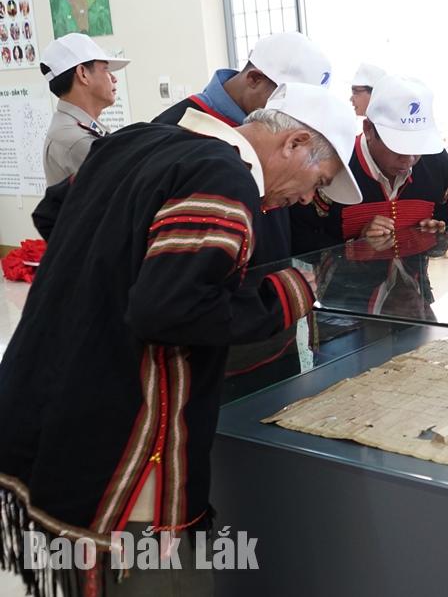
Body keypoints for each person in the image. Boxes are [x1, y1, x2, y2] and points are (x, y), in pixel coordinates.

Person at [2, 83, 361, 596]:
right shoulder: (222, 177)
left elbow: (53, 214)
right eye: (317, 180)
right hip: (121, 431)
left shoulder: (139, 140)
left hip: (43, 400)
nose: (306, 199)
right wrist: (284, 295)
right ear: (295, 142)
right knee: (163, 579)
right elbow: (168, 309)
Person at [152, 31, 332, 265]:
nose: (298, 116)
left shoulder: (283, 138)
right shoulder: (180, 130)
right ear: (254, 79)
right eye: (288, 102)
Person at [290, 74, 448, 253]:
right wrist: (357, 246)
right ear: (368, 129)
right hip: (344, 282)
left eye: (417, 147)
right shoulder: (335, 167)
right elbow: (302, 238)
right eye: (398, 148)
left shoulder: (437, 163)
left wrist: (438, 235)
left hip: (416, 281)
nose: (409, 160)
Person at [39, 33, 128, 185]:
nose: (114, 78)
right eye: (106, 69)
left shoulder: (74, 128)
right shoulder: (77, 141)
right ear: (83, 74)